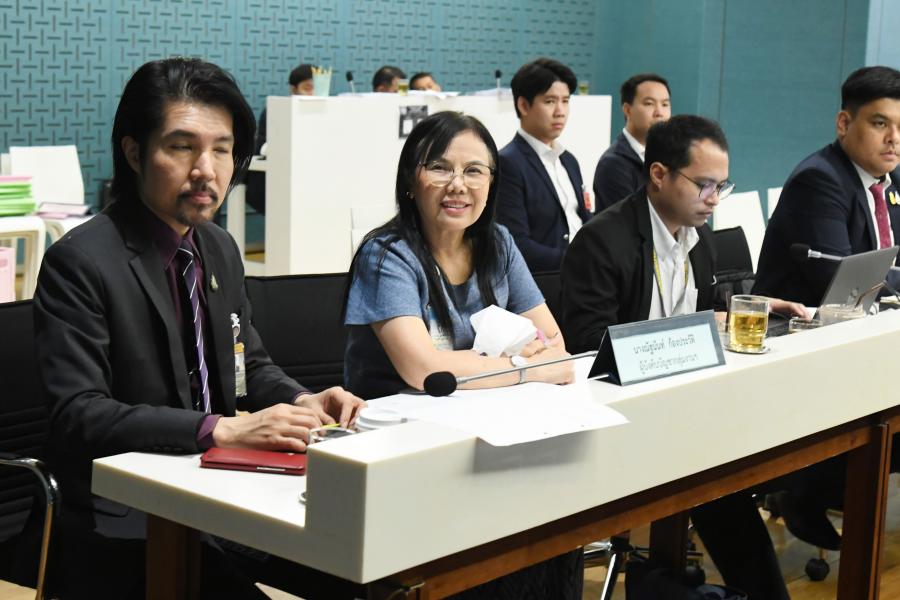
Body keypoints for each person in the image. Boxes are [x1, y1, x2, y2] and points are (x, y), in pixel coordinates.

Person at [33, 57, 364, 599]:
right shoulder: (81, 262)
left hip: (220, 491)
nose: (206, 170)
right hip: (126, 512)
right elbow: (79, 413)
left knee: (364, 571)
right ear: (135, 152)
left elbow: (246, 364)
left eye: (222, 149)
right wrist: (220, 430)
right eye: (182, 147)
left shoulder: (218, 247)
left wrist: (304, 399)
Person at [561, 115, 805, 600]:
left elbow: (697, 316)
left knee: (738, 471)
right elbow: (589, 345)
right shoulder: (604, 239)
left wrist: (743, 309)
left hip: (682, 408)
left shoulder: (700, 239)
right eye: (704, 185)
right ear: (659, 174)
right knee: (721, 484)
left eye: (722, 186)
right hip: (619, 411)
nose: (714, 199)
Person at [342, 110, 581, 599]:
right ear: (411, 180)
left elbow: (556, 348)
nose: (458, 185)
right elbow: (425, 370)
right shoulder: (387, 254)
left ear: (491, 183)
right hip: (405, 449)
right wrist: (522, 365)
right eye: (440, 167)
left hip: (488, 432)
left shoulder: (499, 243)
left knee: (559, 523)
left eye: (474, 171)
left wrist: (497, 367)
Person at [754, 65, 900, 306]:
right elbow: (845, 285)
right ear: (844, 123)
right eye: (880, 124)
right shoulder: (817, 182)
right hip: (798, 324)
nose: (894, 138)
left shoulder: (893, 179)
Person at [496, 58, 592, 272]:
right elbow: (516, 244)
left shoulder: (569, 160)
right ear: (523, 105)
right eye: (550, 101)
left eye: (565, 101)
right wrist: (578, 262)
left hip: (584, 274)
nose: (560, 111)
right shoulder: (508, 163)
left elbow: (586, 220)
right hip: (546, 279)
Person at [592, 73, 671, 212]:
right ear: (627, 110)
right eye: (649, 104)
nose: (659, 112)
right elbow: (629, 219)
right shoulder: (613, 164)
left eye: (665, 104)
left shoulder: (670, 156)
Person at [246, 63, 314, 214]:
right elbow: (265, 149)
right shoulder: (277, 111)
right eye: (307, 88)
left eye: (316, 88)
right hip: (270, 180)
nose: (313, 94)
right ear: (293, 89)